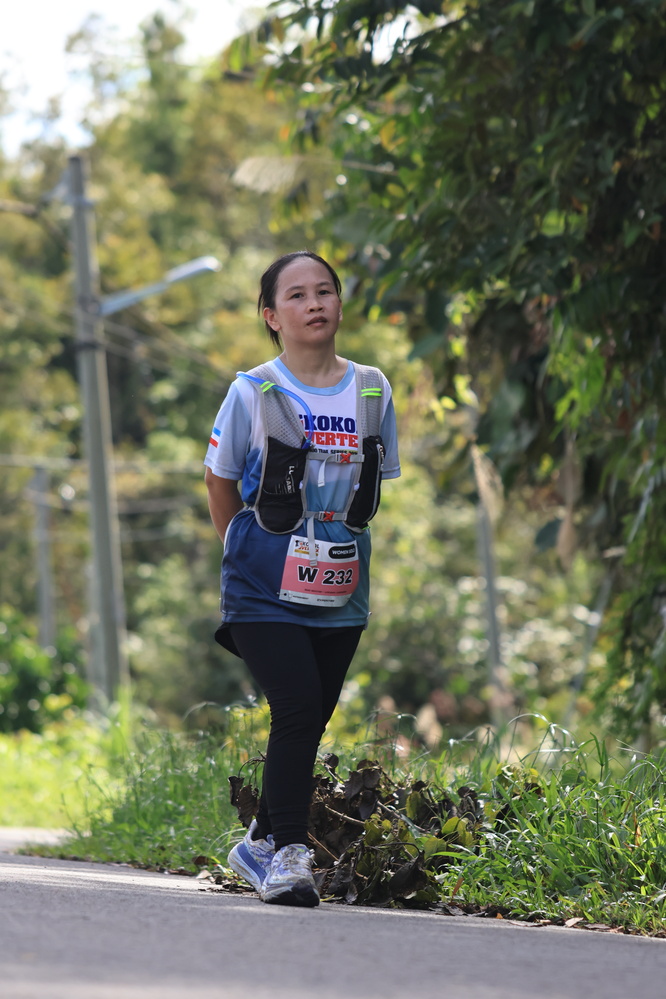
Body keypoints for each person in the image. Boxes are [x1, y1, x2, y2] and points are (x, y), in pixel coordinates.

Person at [204, 250, 400, 907]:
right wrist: (242, 549)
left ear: (340, 304)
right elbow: (219, 480)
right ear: (271, 316)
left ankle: (259, 838)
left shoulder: (371, 388)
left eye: (325, 291)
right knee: (294, 709)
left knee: (312, 717)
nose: (314, 303)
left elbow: (374, 483)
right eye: (296, 295)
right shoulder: (253, 392)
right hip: (262, 583)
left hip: (342, 583)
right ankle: (290, 854)